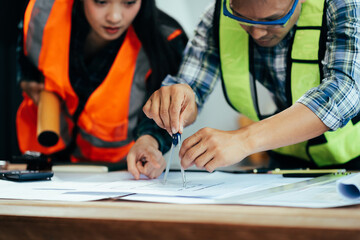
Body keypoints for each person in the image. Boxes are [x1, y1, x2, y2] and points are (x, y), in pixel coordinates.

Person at [143, 0, 360, 174]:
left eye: (274, 19)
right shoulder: (217, 15)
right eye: (243, 18)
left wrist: (243, 140)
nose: (257, 33)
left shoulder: (345, 5)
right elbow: (191, 86)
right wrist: (152, 139)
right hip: (284, 166)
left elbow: (345, 91)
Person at [16, 0, 188, 179]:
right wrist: (26, 76)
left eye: (129, 3)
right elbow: (29, 44)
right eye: (101, 2)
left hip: (116, 173)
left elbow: (164, 112)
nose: (114, 17)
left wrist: (150, 141)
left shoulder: (167, 39)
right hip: (41, 161)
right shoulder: (44, 9)